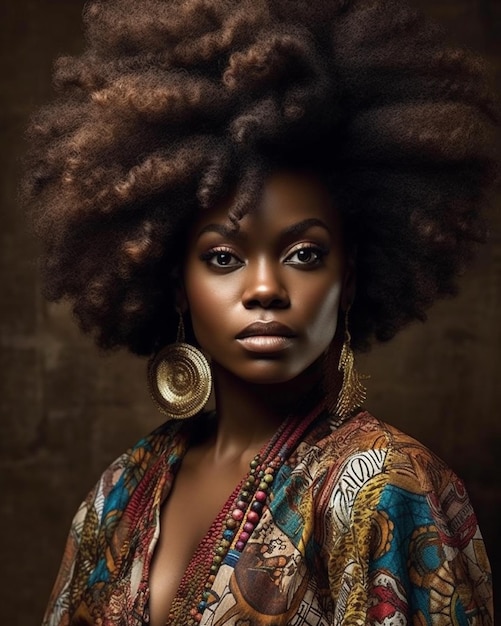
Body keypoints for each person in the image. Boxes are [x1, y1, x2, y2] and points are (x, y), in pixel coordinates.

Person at [22, 0, 497, 624]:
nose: (266, 287)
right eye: (223, 258)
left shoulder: (385, 489)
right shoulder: (118, 493)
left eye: (304, 253)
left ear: (348, 278)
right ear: (175, 282)